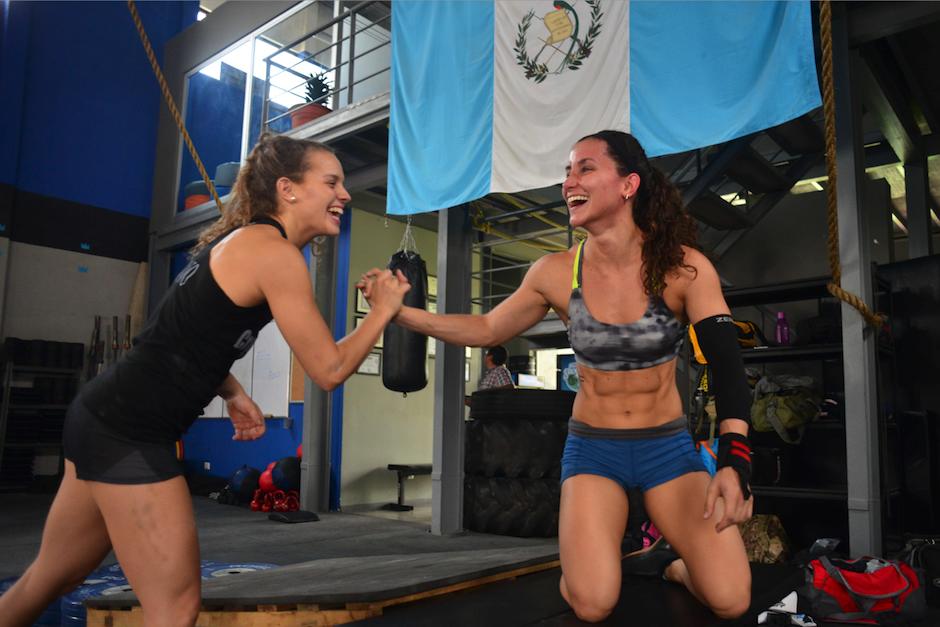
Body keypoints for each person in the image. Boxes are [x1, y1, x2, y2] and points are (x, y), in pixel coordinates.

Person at [0, 132, 409, 627]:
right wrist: (382, 312)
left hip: (100, 418)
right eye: (332, 182)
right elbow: (328, 370)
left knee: (52, 577)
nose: (344, 194)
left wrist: (232, 390)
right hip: (128, 432)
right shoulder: (274, 254)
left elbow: (182, 335)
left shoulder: (242, 242)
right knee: (173, 609)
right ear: (289, 188)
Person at [360, 130, 753, 622]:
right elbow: (486, 327)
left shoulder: (684, 268)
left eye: (585, 168)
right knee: (592, 604)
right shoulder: (555, 272)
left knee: (731, 599)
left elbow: (728, 364)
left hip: (667, 450)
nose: (569, 181)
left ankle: (672, 567)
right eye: (567, 171)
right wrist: (402, 314)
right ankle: (596, 561)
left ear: (629, 184)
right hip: (594, 450)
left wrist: (735, 459)